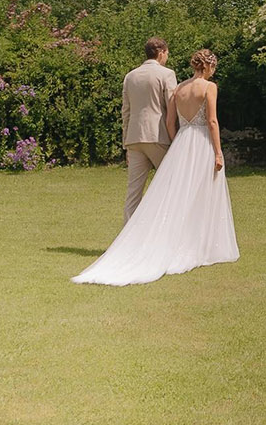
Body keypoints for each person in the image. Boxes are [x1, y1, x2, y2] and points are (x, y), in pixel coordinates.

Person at [73, 49, 239, 286]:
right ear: (209, 67)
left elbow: (170, 122)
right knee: (202, 192)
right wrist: (218, 151)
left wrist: (177, 143)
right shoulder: (209, 87)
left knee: (168, 192)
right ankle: (198, 245)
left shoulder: (180, 88)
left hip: (182, 141)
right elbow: (212, 121)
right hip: (202, 142)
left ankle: (149, 239)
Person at [120, 37, 178, 223]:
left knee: (133, 192)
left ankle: (128, 240)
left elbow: (126, 112)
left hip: (134, 138)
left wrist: (126, 143)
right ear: (161, 52)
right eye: (167, 53)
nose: (167, 57)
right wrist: (176, 138)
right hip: (158, 135)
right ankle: (164, 231)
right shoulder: (166, 74)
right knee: (171, 185)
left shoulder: (130, 76)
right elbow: (172, 109)